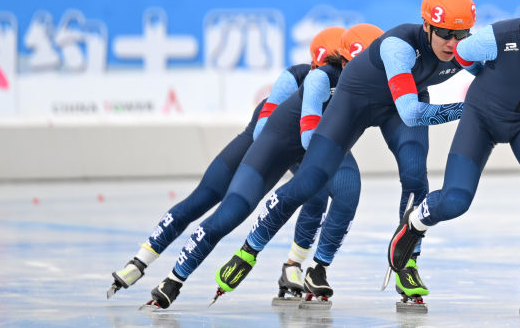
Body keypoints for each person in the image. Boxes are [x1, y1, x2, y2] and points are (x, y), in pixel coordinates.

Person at [205, 0, 477, 309]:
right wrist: (468, 109)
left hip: (400, 103)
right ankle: (249, 249)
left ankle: (402, 263)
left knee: (415, 175)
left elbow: (499, 74)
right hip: (359, 102)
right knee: (310, 181)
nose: (453, 43)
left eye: (462, 34)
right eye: (445, 33)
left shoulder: (466, 47)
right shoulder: (399, 47)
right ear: (427, 26)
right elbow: (411, 113)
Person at [387, 0, 520, 316]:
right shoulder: (495, 38)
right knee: (456, 201)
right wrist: (487, 78)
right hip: (482, 118)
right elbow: (463, 54)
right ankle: (414, 223)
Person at [147, 23, 385, 309]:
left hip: (320, 144)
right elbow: (306, 138)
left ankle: (313, 268)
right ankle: (175, 278)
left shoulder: (373, 83)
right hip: (279, 147)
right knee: (230, 214)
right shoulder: (316, 78)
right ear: (340, 62)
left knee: (347, 189)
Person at [107, 26, 346, 299]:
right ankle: (140, 261)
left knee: (317, 194)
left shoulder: (344, 85)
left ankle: (293, 265)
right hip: (260, 144)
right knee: (204, 200)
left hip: (290, 149)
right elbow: (263, 132)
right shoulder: (297, 77)